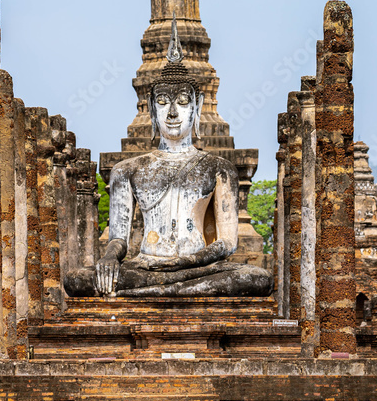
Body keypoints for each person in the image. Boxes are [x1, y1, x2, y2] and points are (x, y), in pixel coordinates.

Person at [64, 16, 272, 297]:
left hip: (198, 266)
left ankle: (149, 293)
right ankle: (168, 290)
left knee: (255, 278)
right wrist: (110, 258)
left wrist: (186, 261)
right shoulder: (127, 170)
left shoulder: (218, 169)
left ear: (196, 109)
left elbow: (226, 243)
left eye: (183, 103)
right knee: (77, 280)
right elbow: (118, 238)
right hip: (147, 266)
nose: (172, 113)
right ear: (151, 108)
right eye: (163, 103)